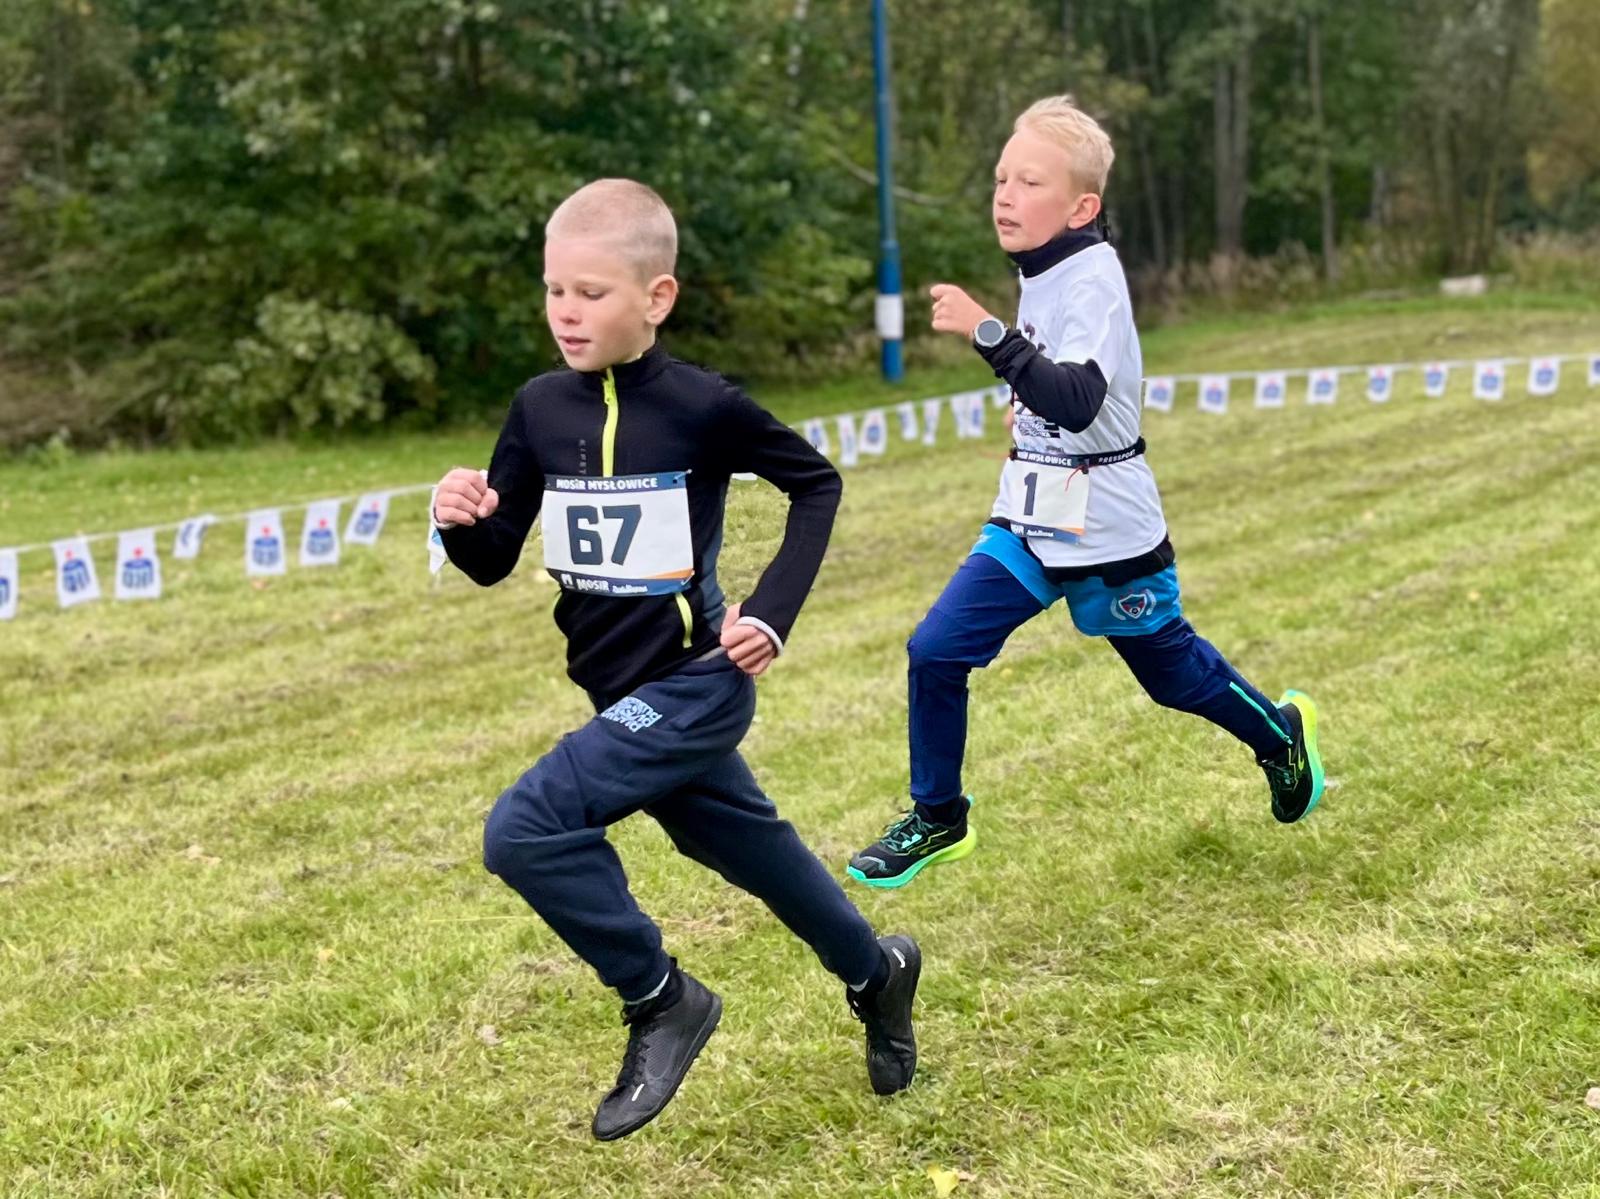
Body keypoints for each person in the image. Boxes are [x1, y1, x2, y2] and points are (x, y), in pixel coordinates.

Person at [434, 178, 920, 1141]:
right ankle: (878, 972)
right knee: (757, 853)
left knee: (524, 828)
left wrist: (770, 614)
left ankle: (661, 997)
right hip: (618, 695)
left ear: (657, 297)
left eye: (591, 292)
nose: (566, 312)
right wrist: (459, 521)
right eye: (553, 290)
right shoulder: (538, 409)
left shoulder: (702, 405)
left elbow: (815, 485)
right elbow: (492, 558)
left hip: (697, 685)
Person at [846, 97, 1325, 891]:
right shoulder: (1041, 270)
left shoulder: (1094, 274)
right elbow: (1058, 389)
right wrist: (1025, 402)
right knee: (936, 649)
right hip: (1032, 513)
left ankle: (1279, 736)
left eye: (1028, 182)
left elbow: (1077, 398)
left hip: (1108, 525)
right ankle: (938, 815)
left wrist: (987, 333)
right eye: (1000, 178)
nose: (1005, 196)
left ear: (1081, 207)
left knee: (1174, 676)